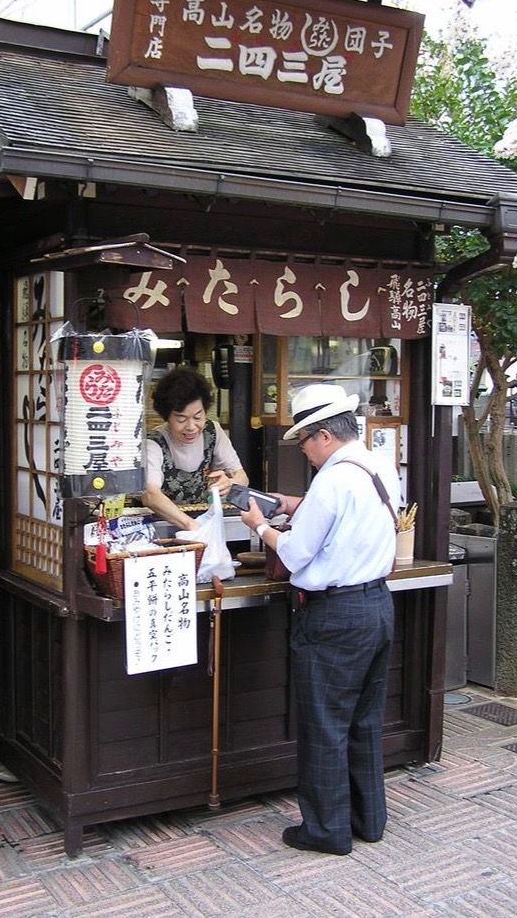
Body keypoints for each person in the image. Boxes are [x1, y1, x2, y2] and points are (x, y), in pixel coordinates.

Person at [240, 383, 401, 856]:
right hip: (376, 606)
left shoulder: (332, 479)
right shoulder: (376, 465)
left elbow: (295, 550)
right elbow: (343, 522)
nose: (304, 450)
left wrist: (260, 525)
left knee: (325, 724)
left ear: (325, 435)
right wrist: (288, 504)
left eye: (305, 440)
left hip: (334, 615)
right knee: (364, 721)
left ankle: (326, 830)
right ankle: (368, 819)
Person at [142, 366, 248, 530]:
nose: (191, 427)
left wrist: (231, 483)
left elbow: (242, 477)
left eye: (198, 417)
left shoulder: (212, 432)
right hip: (163, 525)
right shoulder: (154, 443)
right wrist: (192, 526)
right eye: (181, 419)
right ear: (167, 417)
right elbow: (151, 495)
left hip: (204, 521)